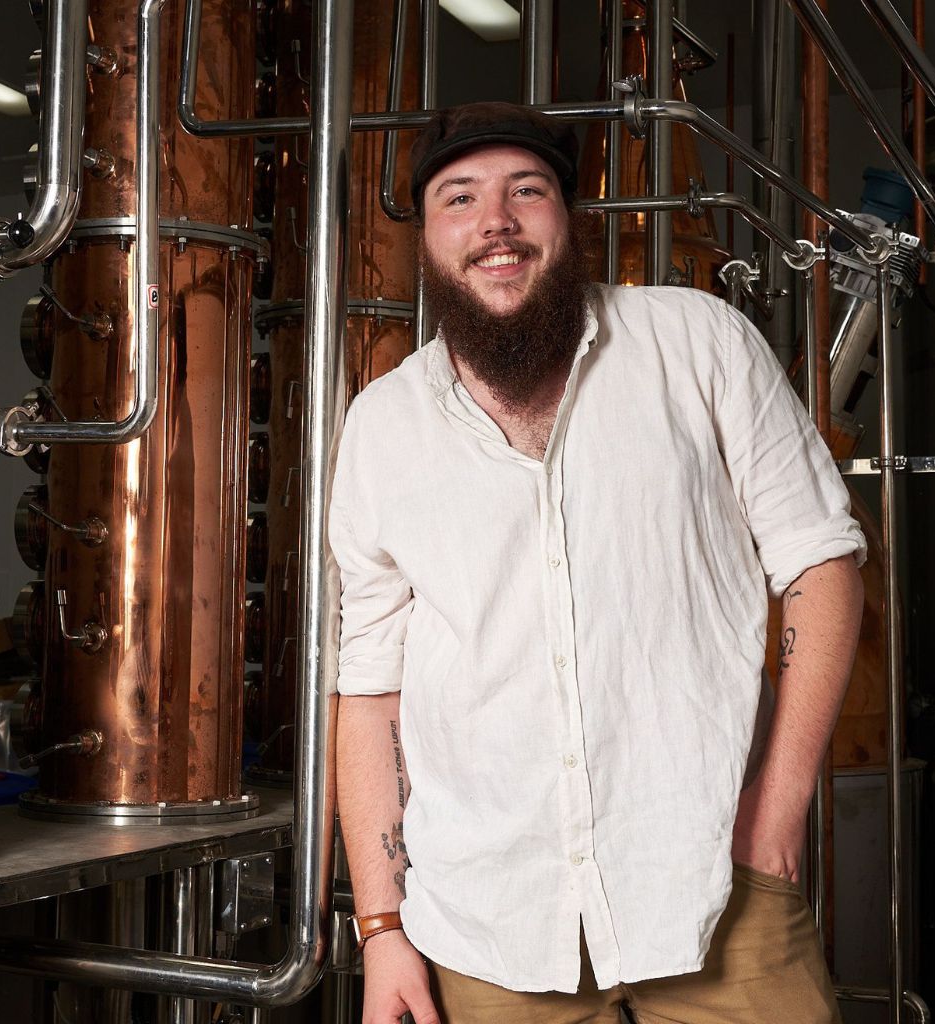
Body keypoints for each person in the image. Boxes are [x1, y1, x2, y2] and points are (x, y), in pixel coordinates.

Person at [331, 101, 866, 1024]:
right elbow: (372, 687)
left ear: (566, 216)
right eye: (460, 198)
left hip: (715, 887)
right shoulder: (383, 425)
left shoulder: (697, 342)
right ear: (427, 236)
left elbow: (820, 561)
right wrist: (381, 928)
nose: (495, 222)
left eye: (525, 191)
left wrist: (777, 813)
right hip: (487, 921)